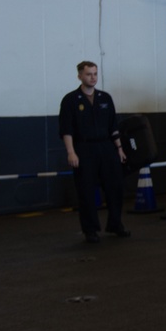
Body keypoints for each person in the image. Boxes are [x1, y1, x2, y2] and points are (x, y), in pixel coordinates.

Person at [59, 61, 130, 244]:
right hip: (84, 149)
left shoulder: (105, 98)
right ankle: (90, 230)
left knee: (115, 187)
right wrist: (71, 152)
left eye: (95, 74)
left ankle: (115, 224)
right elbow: (66, 129)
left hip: (106, 148)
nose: (93, 77)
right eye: (89, 74)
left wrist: (119, 149)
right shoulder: (70, 100)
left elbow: (113, 126)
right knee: (86, 191)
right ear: (80, 76)